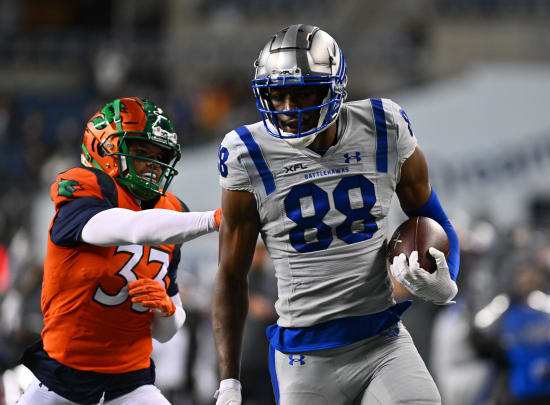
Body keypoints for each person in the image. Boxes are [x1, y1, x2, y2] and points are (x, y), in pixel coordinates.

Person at [213, 24, 460, 405]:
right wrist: (229, 380)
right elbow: (231, 275)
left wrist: (448, 279)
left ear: (335, 87)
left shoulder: (383, 126)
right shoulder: (248, 152)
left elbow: (431, 216)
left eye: (303, 93)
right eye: (276, 96)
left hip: (382, 341)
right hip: (305, 355)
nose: (288, 110)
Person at [17, 97, 222, 405]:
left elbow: (166, 333)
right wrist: (214, 219)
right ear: (104, 148)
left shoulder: (173, 214)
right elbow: (133, 228)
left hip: (130, 383)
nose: (153, 166)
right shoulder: (85, 190)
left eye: (159, 155)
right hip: (62, 380)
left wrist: (164, 309)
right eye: (141, 153)